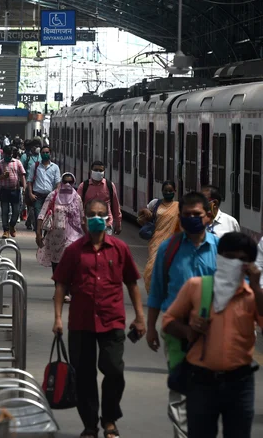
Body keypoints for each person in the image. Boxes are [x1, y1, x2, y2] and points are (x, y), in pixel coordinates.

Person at [52, 199, 146, 438]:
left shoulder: (119, 249)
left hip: (112, 320)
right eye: (92, 214)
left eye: (100, 214)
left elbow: (132, 284)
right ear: (84, 219)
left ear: (107, 219)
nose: (96, 218)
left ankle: (110, 418)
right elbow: (61, 285)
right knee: (84, 376)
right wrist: (58, 319)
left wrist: (140, 317)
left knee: (114, 370)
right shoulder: (73, 252)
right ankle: (90, 425)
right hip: (81, 322)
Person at [163, 232, 263, 438]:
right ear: (219, 257)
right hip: (201, 381)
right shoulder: (196, 287)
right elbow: (168, 321)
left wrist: (256, 286)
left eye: (242, 259)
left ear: (250, 264)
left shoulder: (252, 296)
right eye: (229, 256)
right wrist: (188, 330)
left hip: (240, 383)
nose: (235, 262)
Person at [146, 191, 218, 438]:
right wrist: (150, 328)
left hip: (213, 333)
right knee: (180, 394)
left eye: (196, 215)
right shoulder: (168, 249)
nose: (191, 219)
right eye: (186, 215)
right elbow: (156, 291)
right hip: (176, 331)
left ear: (208, 216)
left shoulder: (220, 250)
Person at [36, 172, 84, 290]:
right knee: (57, 263)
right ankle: (59, 288)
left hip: (72, 236)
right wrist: (38, 233)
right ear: (61, 182)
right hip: (55, 237)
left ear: (74, 183)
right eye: (65, 181)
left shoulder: (77, 198)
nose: (67, 184)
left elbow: (82, 218)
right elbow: (42, 214)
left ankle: (66, 290)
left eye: (70, 182)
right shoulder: (53, 196)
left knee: (69, 262)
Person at [138, 181, 181, 292]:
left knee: (169, 268)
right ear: (162, 191)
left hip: (172, 241)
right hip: (155, 240)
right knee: (151, 268)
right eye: (165, 191)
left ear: (174, 192)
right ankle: (153, 293)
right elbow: (141, 214)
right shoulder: (155, 203)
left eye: (170, 191)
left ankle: (165, 292)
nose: (168, 193)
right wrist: (145, 210)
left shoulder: (178, 206)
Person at [77, 161, 122, 235]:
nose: (98, 172)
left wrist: (118, 223)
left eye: (100, 170)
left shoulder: (110, 185)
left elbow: (115, 205)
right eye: (96, 170)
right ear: (91, 171)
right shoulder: (84, 186)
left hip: (106, 223)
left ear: (104, 172)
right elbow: (77, 204)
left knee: (105, 245)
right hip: (88, 224)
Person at [0, 145, 27, 238]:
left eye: (10, 154)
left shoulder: (17, 162)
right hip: (4, 190)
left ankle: (12, 225)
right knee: (5, 211)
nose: (8, 156)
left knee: (16, 211)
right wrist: (2, 177)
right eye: (6, 154)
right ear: (3, 154)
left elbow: (22, 175)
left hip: (15, 190)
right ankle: (6, 230)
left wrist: (24, 187)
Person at [27, 143, 61, 232]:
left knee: (48, 218)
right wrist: (30, 193)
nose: (45, 154)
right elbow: (29, 181)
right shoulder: (35, 166)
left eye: (47, 152)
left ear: (50, 154)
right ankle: (38, 236)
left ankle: (45, 239)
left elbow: (58, 182)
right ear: (40, 154)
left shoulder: (55, 167)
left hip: (49, 196)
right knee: (39, 218)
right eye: (43, 152)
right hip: (37, 196)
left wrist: (56, 194)